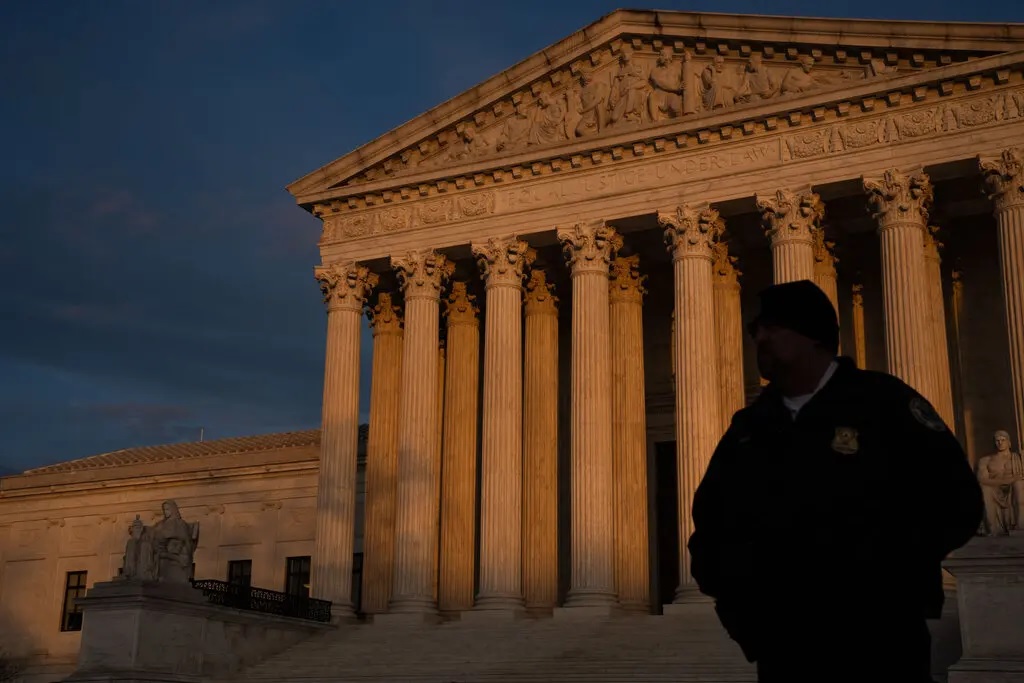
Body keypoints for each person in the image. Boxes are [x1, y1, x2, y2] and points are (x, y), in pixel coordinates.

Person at [688, 279, 983, 683]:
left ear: (813, 336)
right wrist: (747, 621)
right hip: (786, 654)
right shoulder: (748, 431)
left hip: (882, 647)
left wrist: (885, 582)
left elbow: (957, 500)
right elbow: (710, 532)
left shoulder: (883, 404)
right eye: (756, 328)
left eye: (772, 326)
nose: (759, 335)